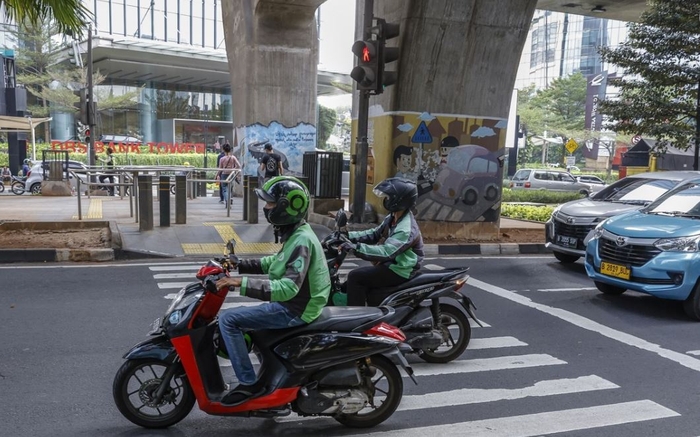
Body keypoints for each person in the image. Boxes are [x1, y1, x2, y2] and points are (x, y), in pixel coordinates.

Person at [215, 176, 330, 406]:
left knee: (228, 320)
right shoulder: (297, 234)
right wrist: (240, 264)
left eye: (270, 203)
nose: (265, 208)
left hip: (296, 309)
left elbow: (288, 288)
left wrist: (239, 283)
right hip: (296, 304)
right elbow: (274, 263)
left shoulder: (301, 241)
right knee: (246, 321)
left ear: (286, 207)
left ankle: (250, 384)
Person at [339, 178, 425, 306]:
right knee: (346, 285)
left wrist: (355, 248)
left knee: (355, 277)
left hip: (401, 270)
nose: (386, 200)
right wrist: (347, 235)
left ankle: (358, 320)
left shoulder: (406, 228)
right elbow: (374, 233)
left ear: (399, 200)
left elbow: (386, 252)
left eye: (389, 197)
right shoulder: (393, 217)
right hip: (391, 265)